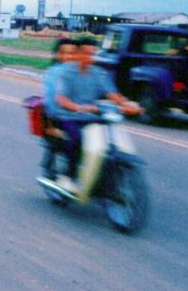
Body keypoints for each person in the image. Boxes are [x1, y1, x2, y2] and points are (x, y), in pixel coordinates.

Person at [53, 38, 140, 193]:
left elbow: (112, 94)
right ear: (78, 53)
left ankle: (99, 176)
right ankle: (69, 177)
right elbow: (61, 99)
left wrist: (126, 104)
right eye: (86, 53)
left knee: (108, 141)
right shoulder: (66, 72)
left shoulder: (99, 73)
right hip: (70, 116)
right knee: (77, 139)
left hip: (92, 116)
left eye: (92, 53)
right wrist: (78, 107)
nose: (89, 57)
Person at [40, 38, 78, 178]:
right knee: (77, 140)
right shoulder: (53, 74)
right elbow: (49, 102)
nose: (67, 57)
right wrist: (50, 125)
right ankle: (69, 176)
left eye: (72, 53)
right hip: (58, 119)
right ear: (56, 54)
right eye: (63, 53)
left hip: (79, 116)